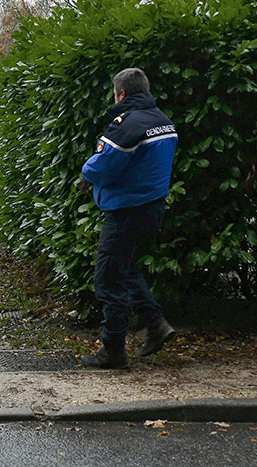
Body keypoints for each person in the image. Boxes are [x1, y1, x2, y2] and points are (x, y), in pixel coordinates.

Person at [78, 67, 179, 369]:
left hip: (126, 213)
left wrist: (85, 176)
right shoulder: (163, 122)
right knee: (127, 270)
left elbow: (101, 166)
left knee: (108, 279)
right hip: (154, 209)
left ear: (120, 93)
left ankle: (113, 351)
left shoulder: (126, 125)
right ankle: (156, 322)